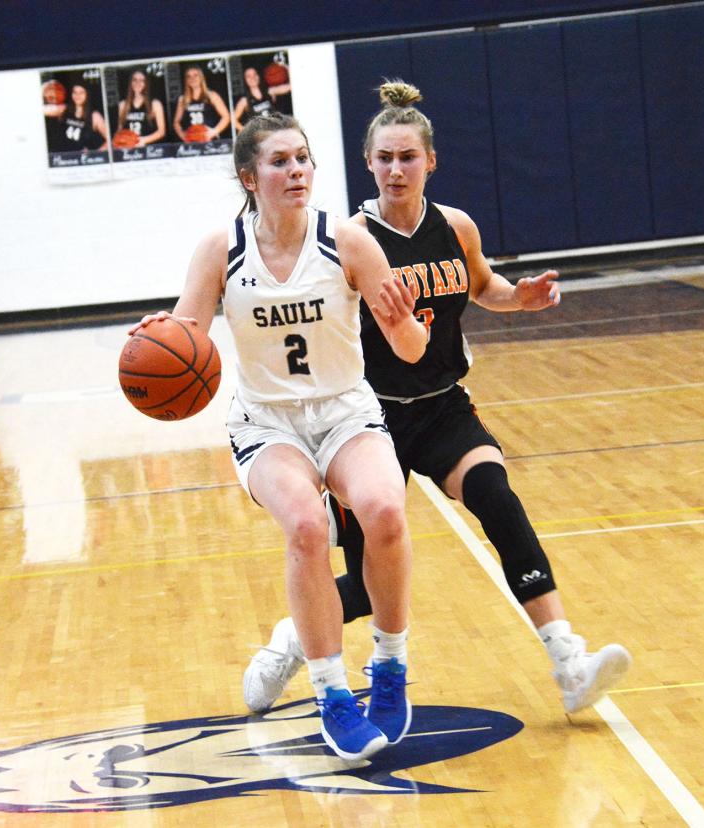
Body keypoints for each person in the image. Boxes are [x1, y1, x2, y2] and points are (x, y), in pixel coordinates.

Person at [244, 81, 632, 717]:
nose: (397, 170)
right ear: (368, 163)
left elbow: (483, 287)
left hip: (443, 405)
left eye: (409, 157)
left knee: (498, 500)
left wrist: (519, 297)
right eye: (385, 158)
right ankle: (293, 639)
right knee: (371, 582)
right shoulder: (349, 238)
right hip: (366, 419)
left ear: (431, 162)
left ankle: (568, 660)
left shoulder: (456, 227)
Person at [129, 111, 428, 761]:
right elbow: (190, 336)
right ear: (249, 176)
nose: (296, 171)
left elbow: (410, 349)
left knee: (383, 510)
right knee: (307, 526)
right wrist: (164, 336)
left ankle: (390, 665)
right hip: (267, 420)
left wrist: (404, 323)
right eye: (280, 161)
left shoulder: (349, 242)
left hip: (345, 409)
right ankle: (331, 694)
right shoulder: (221, 250)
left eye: (303, 159)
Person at [172, 66, 230, 142]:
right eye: (189, 76)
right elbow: (176, 122)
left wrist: (214, 131)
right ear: (186, 80)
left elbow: (226, 116)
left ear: (201, 77)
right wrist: (182, 135)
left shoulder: (211, 95)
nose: (192, 78)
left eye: (195, 75)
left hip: (209, 139)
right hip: (192, 139)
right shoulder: (183, 99)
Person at [47, 84, 108, 153]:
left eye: (81, 92)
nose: (77, 95)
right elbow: (41, 110)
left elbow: (110, 140)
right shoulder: (64, 109)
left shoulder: (94, 116)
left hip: (79, 159)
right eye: (74, 92)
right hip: (61, 156)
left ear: (87, 94)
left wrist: (95, 155)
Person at [115, 70, 166, 147]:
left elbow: (161, 131)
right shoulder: (123, 105)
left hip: (149, 149)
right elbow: (119, 130)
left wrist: (143, 140)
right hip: (129, 149)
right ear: (130, 83)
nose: (137, 83)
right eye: (135, 80)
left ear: (146, 83)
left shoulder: (155, 104)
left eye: (141, 80)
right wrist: (122, 141)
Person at [232, 66, 290, 133]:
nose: (252, 78)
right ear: (245, 80)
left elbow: (290, 87)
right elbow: (233, 120)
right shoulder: (244, 100)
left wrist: (284, 66)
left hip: (275, 132)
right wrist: (246, 131)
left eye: (255, 74)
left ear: (258, 76)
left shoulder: (270, 92)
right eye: (248, 76)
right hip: (260, 137)